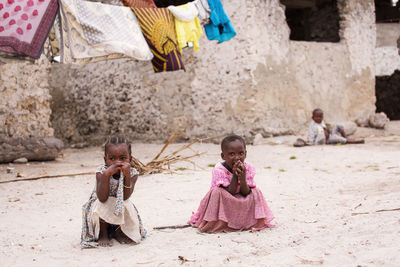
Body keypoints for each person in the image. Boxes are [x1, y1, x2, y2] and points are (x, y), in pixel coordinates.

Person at [188, 134, 275, 233]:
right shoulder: (219, 169)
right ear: (223, 156)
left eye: (240, 153)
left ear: (245, 154)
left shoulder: (249, 167)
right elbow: (231, 192)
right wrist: (235, 175)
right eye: (232, 154)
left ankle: (247, 222)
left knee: (256, 191)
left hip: (240, 200)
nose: (237, 158)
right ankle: (222, 223)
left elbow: (245, 192)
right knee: (216, 191)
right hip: (224, 201)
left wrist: (242, 178)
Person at [80, 136, 146, 248]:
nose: (117, 162)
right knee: (103, 204)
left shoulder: (133, 174)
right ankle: (103, 232)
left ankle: (118, 231)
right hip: (101, 205)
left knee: (125, 204)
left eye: (122, 158)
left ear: (130, 159)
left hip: (120, 203)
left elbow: (125, 196)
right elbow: (102, 198)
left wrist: (126, 175)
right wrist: (106, 175)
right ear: (105, 159)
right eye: (112, 159)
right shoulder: (101, 172)